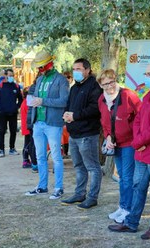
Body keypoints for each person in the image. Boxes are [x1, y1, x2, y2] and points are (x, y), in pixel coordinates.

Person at [107, 62, 150, 239]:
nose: (146, 77)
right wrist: (138, 141)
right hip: (141, 149)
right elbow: (138, 118)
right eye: (146, 73)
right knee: (138, 186)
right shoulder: (148, 93)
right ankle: (132, 222)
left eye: (149, 74)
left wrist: (141, 140)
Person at [25, 51, 70, 199]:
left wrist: (43, 101)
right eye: (38, 67)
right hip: (39, 122)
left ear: (49, 64)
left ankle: (58, 187)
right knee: (40, 156)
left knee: (56, 157)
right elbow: (35, 99)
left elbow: (64, 101)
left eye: (41, 66)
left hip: (53, 123)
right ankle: (42, 186)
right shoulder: (39, 80)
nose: (39, 69)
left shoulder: (61, 80)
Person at [98, 69, 142, 221]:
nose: (109, 86)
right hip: (115, 143)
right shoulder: (101, 100)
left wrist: (139, 139)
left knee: (127, 177)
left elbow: (141, 117)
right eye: (105, 84)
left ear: (115, 80)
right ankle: (123, 206)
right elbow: (104, 122)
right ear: (101, 85)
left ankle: (128, 209)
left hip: (130, 143)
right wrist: (108, 136)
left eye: (111, 82)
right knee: (122, 176)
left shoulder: (128, 95)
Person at [60, 58, 103, 209]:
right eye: (74, 69)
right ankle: (79, 194)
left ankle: (92, 197)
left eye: (78, 69)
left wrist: (75, 116)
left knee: (93, 167)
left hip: (87, 134)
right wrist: (66, 115)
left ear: (87, 70)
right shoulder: (75, 87)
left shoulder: (94, 86)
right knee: (78, 166)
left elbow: (95, 108)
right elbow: (68, 105)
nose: (75, 72)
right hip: (74, 133)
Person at [0, 68, 23, 157]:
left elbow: (20, 99)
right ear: (5, 76)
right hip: (3, 113)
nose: (11, 77)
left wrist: (16, 107)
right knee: (2, 131)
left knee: (13, 131)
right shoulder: (0, 86)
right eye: (9, 76)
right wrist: (0, 106)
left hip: (13, 113)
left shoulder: (16, 86)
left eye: (12, 76)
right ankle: (1, 149)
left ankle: (12, 148)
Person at [20, 87, 37, 169]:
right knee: (28, 144)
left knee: (27, 144)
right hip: (28, 127)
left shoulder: (25, 102)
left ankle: (26, 159)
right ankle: (25, 160)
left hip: (26, 127)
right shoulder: (27, 103)